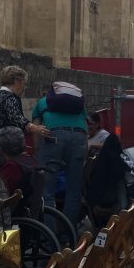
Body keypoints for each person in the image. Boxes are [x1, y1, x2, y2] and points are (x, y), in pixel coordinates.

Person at [30, 81, 88, 228]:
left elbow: (37, 129)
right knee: (74, 191)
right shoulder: (78, 104)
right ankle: (68, 233)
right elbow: (85, 128)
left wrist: (38, 152)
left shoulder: (42, 102)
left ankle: (50, 237)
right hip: (79, 138)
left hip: (54, 137)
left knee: (46, 189)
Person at [0, 65, 49, 140]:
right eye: (24, 83)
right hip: (3, 142)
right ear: (17, 81)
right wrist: (35, 128)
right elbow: (16, 118)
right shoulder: (9, 97)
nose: (24, 87)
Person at [0, 126, 38, 216]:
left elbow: (0, 193)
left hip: (13, 213)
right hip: (29, 209)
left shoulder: (11, 167)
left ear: (1, 148)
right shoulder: (31, 160)